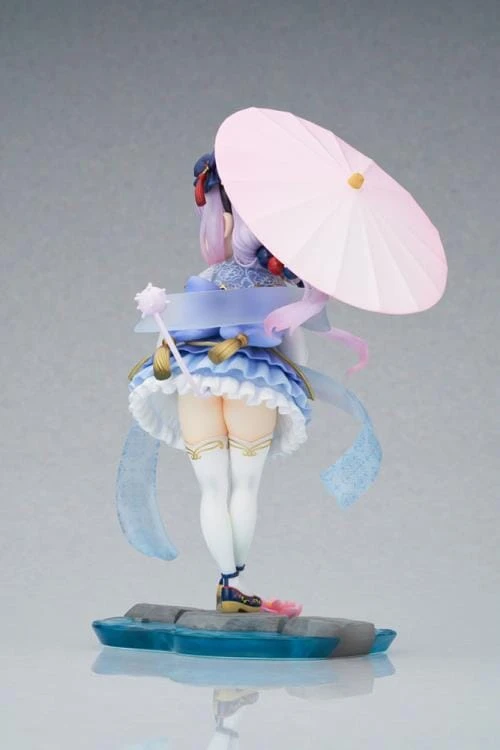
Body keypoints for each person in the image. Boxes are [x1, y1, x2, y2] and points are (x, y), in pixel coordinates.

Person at [126, 152, 376, 614]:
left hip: (194, 381)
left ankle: (227, 581)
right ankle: (233, 584)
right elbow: (297, 359)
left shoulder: (207, 277)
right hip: (254, 388)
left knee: (211, 489)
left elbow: (173, 333)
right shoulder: (277, 293)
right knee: (244, 487)